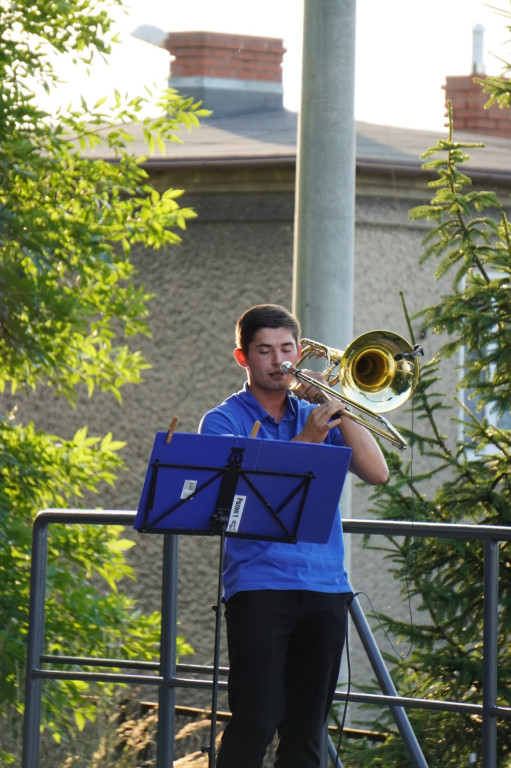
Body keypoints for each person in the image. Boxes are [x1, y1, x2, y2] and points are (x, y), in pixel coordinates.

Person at [199, 304, 388, 768]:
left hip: (326, 587)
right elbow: (246, 495)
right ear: (243, 358)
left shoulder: (317, 411)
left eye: (287, 349)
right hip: (260, 587)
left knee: (306, 737)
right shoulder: (223, 421)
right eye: (264, 350)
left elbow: (377, 472)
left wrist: (342, 409)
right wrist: (307, 436)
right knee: (255, 724)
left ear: (301, 352)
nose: (279, 360)